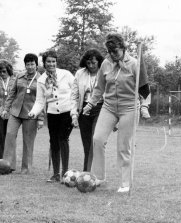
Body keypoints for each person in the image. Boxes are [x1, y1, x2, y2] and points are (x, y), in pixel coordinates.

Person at [83, 33, 150, 193]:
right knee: (97, 139)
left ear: (123, 49)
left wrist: (144, 106)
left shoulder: (135, 64)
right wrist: (90, 103)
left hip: (129, 108)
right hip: (109, 107)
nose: (113, 56)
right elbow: (99, 88)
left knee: (123, 147)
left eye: (116, 52)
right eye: (110, 52)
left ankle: (125, 183)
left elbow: (145, 90)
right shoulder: (106, 64)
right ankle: (98, 177)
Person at [28, 50, 74, 182]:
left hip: (67, 111)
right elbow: (40, 101)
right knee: (53, 141)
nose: (51, 64)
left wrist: (76, 109)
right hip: (52, 113)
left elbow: (75, 90)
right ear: (44, 63)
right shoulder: (41, 80)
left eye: (53, 61)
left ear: (56, 62)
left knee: (63, 139)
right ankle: (55, 174)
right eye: (48, 61)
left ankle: (65, 173)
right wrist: (33, 112)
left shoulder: (66, 74)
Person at [1, 54, 44, 174]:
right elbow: (11, 94)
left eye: (32, 64)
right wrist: (6, 109)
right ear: (25, 65)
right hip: (15, 112)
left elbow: (42, 101)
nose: (30, 67)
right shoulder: (19, 76)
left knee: (28, 141)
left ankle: (26, 169)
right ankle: (7, 166)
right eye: (28, 64)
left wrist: (40, 118)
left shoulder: (41, 80)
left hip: (31, 115)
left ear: (36, 65)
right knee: (9, 136)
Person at [71, 49, 104, 172]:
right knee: (87, 144)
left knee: (95, 141)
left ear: (99, 62)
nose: (90, 66)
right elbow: (74, 95)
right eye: (88, 63)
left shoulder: (104, 72)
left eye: (93, 63)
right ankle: (88, 172)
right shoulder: (80, 73)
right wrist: (74, 114)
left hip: (100, 108)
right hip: (83, 110)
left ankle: (89, 173)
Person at [0, 60, 15, 160]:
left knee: (10, 137)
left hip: (12, 112)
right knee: (1, 137)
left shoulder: (14, 80)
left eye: (4, 71)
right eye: (0, 71)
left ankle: (9, 161)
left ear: (8, 70)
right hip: (0, 112)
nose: (2, 74)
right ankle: (1, 159)